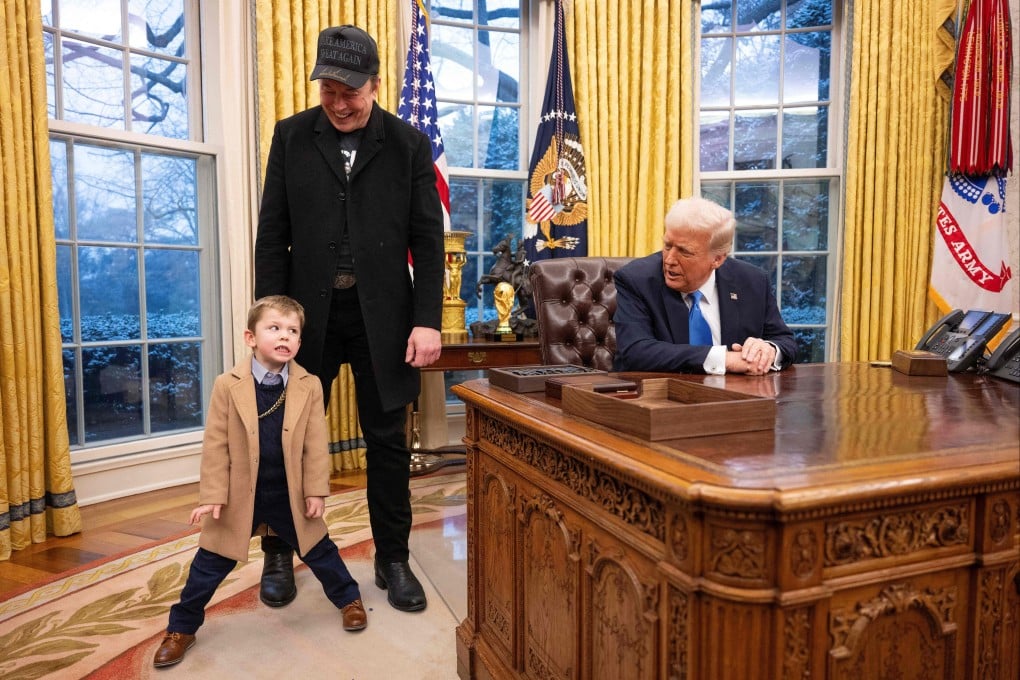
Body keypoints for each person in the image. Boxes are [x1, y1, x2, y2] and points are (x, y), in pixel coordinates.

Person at [253, 25, 444, 613]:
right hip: (304, 320)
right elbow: (273, 235)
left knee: (387, 442)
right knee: (285, 438)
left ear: (375, 86)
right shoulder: (290, 136)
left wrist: (427, 320)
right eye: (328, 91)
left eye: (350, 92)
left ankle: (393, 559)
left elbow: (427, 240)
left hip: (382, 319)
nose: (338, 104)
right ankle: (280, 552)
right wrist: (269, 322)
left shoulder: (409, 145)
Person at [153, 296, 366, 668]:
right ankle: (181, 628)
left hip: (288, 491)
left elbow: (316, 443)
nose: (285, 336)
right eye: (274, 328)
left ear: (299, 341)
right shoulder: (227, 385)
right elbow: (216, 445)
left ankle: (349, 600)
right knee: (209, 563)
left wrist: (316, 490)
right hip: (240, 494)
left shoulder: (310, 385)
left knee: (320, 551)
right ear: (250, 338)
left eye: (293, 331)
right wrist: (213, 496)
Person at [613, 197, 797, 374]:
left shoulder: (752, 281)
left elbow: (785, 341)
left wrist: (768, 351)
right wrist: (724, 359)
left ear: (717, 259)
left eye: (684, 252)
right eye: (667, 246)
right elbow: (635, 351)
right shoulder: (637, 280)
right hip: (660, 392)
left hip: (736, 393)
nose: (669, 260)